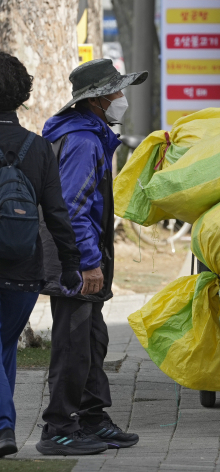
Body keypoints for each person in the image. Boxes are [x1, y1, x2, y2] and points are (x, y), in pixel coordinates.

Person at [36, 59, 147, 456]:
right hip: (75, 259)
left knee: (92, 340)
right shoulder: (83, 141)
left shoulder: (90, 133)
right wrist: (87, 262)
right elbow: (73, 206)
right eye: (117, 92)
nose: (122, 99)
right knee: (73, 344)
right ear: (98, 100)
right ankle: (58, 429)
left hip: (79, 255)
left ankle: (93, 419)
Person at [0, 53, 82, 457]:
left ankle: (3, 427)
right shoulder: (38, 148)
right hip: (24, 270)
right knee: (4, 348)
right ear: (21, 94)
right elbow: (57, 215)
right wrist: (70, 266)